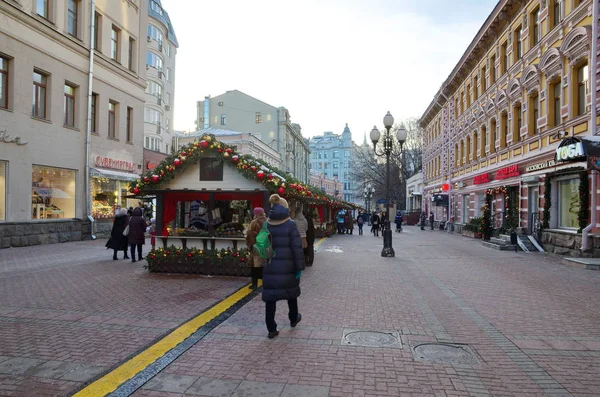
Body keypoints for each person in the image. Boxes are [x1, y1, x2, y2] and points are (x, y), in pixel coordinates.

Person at [263, 194, 304, 339]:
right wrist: (299, 268)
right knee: (291, 294)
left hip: (270, 267)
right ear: (286, 208)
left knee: (270, 298)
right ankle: (293, 318)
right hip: (288, 266)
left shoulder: (266, 224)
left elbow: (262, 246)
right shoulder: (291, 225)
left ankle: (271, 329)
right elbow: (297, 248)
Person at [245, 207, 267, 290]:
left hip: (256, 248)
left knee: (254, 267)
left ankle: (254, 285)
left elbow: (250, 236)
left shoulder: (254, 222)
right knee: (264, 267)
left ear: (256, 214)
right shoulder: (267, 221)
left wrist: (250, 245)